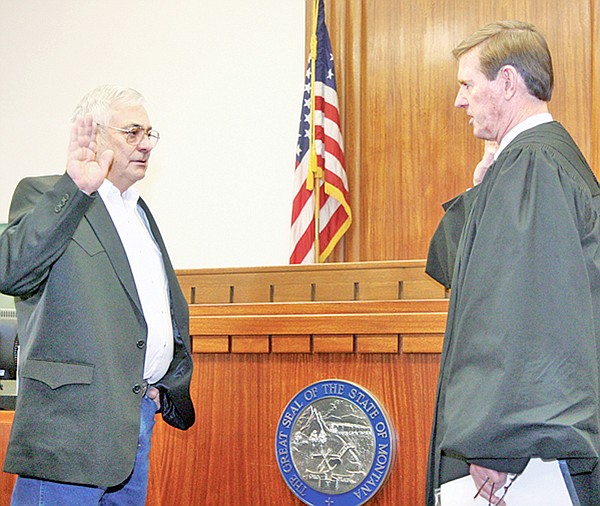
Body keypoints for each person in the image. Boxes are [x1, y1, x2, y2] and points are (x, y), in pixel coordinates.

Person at [426, 21, 600, 505]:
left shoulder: (533, 165)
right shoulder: (533, 162)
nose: (459, 100)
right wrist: (482, 190)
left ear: (507, 82)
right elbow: (463, 273)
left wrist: (498, 443)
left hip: (527, 458)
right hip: (532, 446)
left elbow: (526, 313)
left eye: (467, 84)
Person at [0, 85, 195, 505]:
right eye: (132, 132)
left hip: (134, 419)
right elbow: (11, 270)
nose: (146, 143)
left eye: (149, 133)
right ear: (96, 134)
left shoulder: (137, 211)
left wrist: (162, 383)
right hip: (70, 430)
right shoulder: (46, 194)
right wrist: (75, 188)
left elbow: (152, 309)